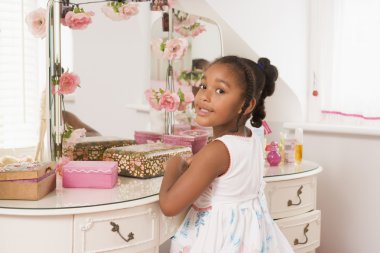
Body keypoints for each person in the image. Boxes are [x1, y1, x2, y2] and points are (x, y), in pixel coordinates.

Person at [159, 55, 294, 252]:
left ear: (246, 106)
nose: (204, 96)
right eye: (204, 86)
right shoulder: (252, 140)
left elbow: (169, 206)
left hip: (216, 242)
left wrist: (173, 165)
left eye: (220, 90)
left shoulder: (217, 151)